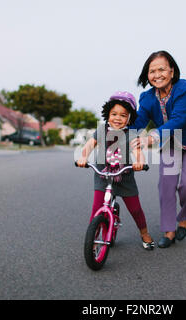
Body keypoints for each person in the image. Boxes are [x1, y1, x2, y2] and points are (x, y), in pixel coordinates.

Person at [130, 51, 186, 248]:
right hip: (171, 144)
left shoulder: (184, 89)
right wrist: (119, 130)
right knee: (166, 186)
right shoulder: (147, 97)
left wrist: (151, 138)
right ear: (147, 75)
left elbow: (178, 120)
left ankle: (185, 217)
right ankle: (169, 231)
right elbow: (139, 122)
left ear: (172, 71)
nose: (157, 75)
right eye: (152, 71)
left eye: (161, 69)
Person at [77, 91, 155, 250]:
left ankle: (144, 232)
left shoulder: (131, 134)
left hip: (124, 176)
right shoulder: (101, 130)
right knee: (96, 209)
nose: (118, 118)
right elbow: (89, 145)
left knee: (135, 209)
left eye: (123, 115)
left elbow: (138, 153)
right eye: (114, 114)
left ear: (129, 118)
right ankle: (92, 241)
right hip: (102, 175)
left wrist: (140, 162)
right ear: (108, 113)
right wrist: (83, 157)